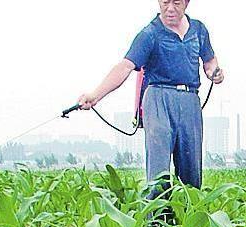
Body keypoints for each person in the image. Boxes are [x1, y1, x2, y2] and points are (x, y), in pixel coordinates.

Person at [78, 0, 224, 197]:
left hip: (190, 99)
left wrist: (214, 72)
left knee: (191, 169)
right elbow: (125, 66)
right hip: (158, 98)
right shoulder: (150, 34)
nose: (170, 8)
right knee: (159, 171)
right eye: (165, 2)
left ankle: (189, 221)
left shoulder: (198, 30)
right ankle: (155, 223)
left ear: (187, 3)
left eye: (177, 3)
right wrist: (95, 95)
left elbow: (209, 60)